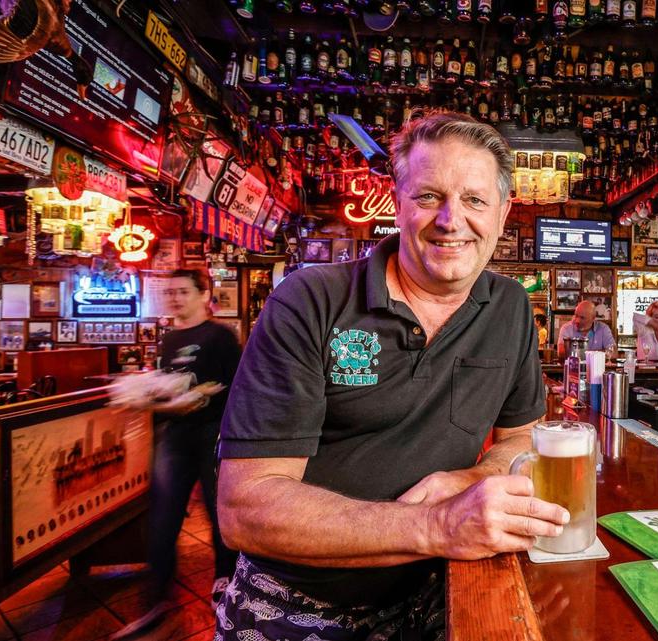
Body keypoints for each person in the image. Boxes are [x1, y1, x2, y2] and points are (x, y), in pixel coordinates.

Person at [214, 111, 569, 641]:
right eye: (429, 196)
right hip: (300, 599)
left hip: (437, 587)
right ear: (397, 204)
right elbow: (245, 507)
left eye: (474, 199)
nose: (451, 220)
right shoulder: (312, 300)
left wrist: (471, 479)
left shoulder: (510, 307)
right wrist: (438, 526)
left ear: (502, 214)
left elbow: (521, 438)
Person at [113, 269, 241, 638]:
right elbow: (168, 385)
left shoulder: (219, 336)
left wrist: (204, 397)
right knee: (163, 516)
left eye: (183, 292)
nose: (175, 298)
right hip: (175, 436)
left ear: (204, 295)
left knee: (220, 516)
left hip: (212, 436)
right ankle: (156, 599)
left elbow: (237, 386)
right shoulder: (169, 338)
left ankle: (224, 585)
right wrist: (150, 397)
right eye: (170, 292)